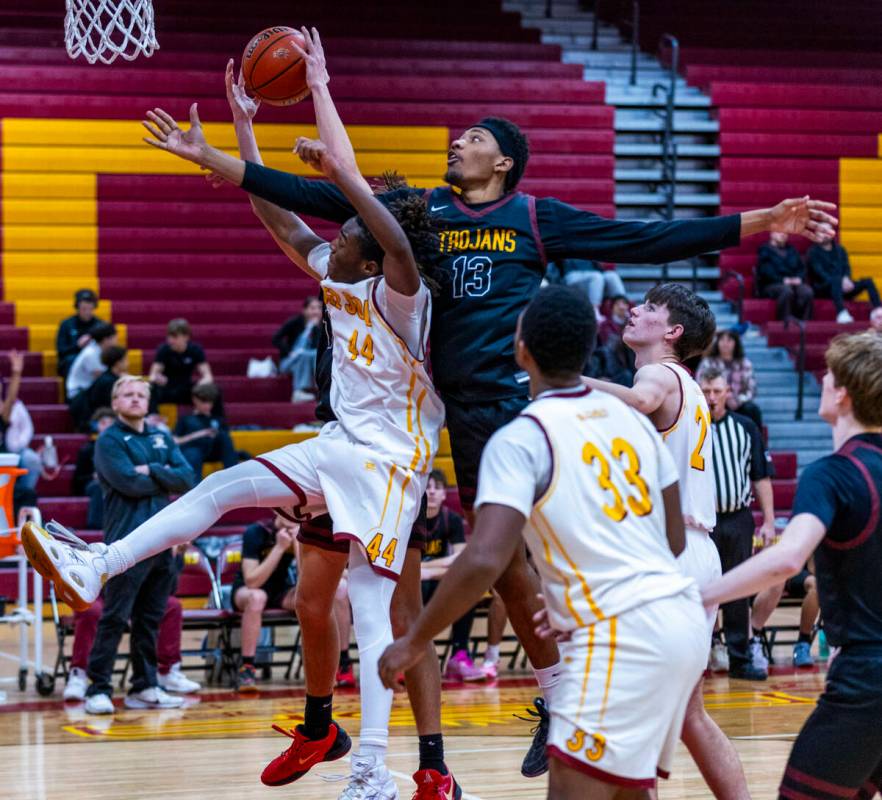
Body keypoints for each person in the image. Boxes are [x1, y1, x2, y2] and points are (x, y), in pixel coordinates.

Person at [108, 23, 834, 779]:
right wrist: (220, 157)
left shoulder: (533, 218)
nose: (458, 142)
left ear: (505, 161)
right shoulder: (425, 213)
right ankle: (410, 760)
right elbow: (313, 197)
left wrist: (763, 221)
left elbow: (647, 237)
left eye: (474, 137)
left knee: (509, 562)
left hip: (496, 403)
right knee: (396, 575)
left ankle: (552, 694)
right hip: (413, 412)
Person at [23, 35, 453, 797]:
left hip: (390, 466)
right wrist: (241, 131)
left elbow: (352, 189)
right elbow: (280, 217)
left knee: (374, 613)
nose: (338, 231)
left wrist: (320, 85)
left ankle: (372, 774)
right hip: (340, 446)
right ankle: (98, 564)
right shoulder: (339, 275)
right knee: (220, 492)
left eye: (353, 225)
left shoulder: (403, 291)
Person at [378, 285, 708, 799]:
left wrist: (415, 640)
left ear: (521, 350)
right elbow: (670, 538)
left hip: (619, 637)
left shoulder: (522, 436)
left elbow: (486, 559)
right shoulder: (634, 421)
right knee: (629, 792)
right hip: (679, 622)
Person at [584, 283, 751, 800]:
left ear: (673, 332)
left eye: (650, 308)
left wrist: (567, 381)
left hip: (667, 556)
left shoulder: (655, 372)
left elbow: (639, 400)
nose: (634, 310)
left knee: (637, 712)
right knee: (688, 713)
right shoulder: (693, 385)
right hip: (699, 554)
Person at [702, 331, 882, 800]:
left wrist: (696, 594)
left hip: (866, 680)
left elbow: (786, 558)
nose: (821, 379)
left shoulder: (830, 473)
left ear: (841, 393)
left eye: (828, 375)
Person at [80, 376, 195, 714]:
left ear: (148, 401)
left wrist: (152, 469)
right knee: (115, 617)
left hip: (164, 542)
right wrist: (163, 475)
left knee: (150, 618)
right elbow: (128, 482)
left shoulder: (161, 435)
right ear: (115, 403)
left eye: (140, 394)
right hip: (126, 543)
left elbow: (187, 477)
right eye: (127, 395)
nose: (134, 399)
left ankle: (144, 687)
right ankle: (97, 689)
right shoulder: (108, 440)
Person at [701, 368, 775, 680]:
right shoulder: (692, 428)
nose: (712, 397)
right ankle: (698, 659)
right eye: (706, 391)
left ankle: (740, 659)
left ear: (728, 392)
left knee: (736, 592)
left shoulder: (745, 427)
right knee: (701, 588)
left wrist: (769, 520)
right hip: (702, 522)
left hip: (738, 518)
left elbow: (760, 476)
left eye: (717, 391)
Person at [63, 580, 201, 701]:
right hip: (97, 590)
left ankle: (167, 672)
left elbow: (167, 584)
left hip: (133, 590)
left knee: (172, 605)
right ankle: (79, 674)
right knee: (90, 611)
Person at [421, 469, 485, 682]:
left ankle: (459, 655)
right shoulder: (410, 520)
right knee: (413, 585)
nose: (431, 492)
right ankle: (413, 656)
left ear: (443, 495)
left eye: (436, 488)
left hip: (435, 581)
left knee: (467, 585)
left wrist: (426, 570)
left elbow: (460, 559)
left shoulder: (452, 519)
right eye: (427, 487)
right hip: (415, 586)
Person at [231, 515, 298, 691]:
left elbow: (308, 579)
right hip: (246, 590)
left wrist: (298, 545)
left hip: (280, 589)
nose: (294, 514)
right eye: (288, 508)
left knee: (310, 597)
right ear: (277, 510)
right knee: (257, 597)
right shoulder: (256, 531)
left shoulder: (300, 533)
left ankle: (326, 665)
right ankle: (247, 668)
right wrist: (279, 547)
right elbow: (252, 581)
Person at [808, 232, 881, 324]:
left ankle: (878, 310)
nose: (824, 235)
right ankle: (841, 312)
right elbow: (820, 273)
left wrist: (846, 279)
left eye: (826, 231)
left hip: (842, 287)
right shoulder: (813, 252)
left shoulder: (840, 250)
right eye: (821, 232)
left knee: (868, 281)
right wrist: (839, 281)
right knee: (836, 279)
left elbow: (847, 268)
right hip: (824, 288)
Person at [699, 328, 763, 429]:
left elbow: (751, 389)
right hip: (714, 400)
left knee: (753, 410)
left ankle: (756, 441)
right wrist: (722, 397)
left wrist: (737, 400)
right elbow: (699, 384)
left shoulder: (745, 363)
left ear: (736, 343)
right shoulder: (708, 362)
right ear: (717, 342)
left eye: (729, 340)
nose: (725, 343)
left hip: (739, 404)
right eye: (722, 340)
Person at [173, 383, 237, 479]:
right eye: (204, 401)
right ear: (195, 399)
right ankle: (195, 488)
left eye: (210, 402)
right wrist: (200, 434)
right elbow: (174, 441)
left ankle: (233, 477)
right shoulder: (186, 419)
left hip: (212, 450)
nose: (207, 405)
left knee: (224, 437)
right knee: (193, 453)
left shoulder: (217, 419)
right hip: (193, 450)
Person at [1, 351, 42, 493]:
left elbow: (11, 399)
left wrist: (16, 373)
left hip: (7, 454)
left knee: (31, 459)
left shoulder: (8, 410)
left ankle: (26, 496)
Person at [148, 318, 213, 407]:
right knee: (151, 388)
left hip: (186, 388)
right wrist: (159, 378)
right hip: (168, 388)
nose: (170, 340)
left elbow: (208, 376)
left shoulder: (195, 350)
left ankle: (214, 418)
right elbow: (152, 375)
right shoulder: (163, 349)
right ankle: (153, 416)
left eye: (175, 337)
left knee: (213, 389)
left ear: (186, 337)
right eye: (169, 336)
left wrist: (201, 384)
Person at [72, 407, 116, 530]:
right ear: (96, 425)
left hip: (116, 482)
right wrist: (93, 476)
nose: (107, 427)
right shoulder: (87, 449)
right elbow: (77, 481)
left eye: (110, 424)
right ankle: (96, 527)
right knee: (98, 486)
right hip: (95, 484)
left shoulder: (122, 447)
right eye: (103, 423)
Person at [273, 295, 323, 401]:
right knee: (305, 355)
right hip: (290, 361)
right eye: (312, 308)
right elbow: (276, 338)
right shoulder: (295, 322)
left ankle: (313, 389)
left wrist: (314, 328)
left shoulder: (322, 326)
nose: (316, 312)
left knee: (310, 354)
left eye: (319, 308)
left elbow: (319, 347)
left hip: (307, 360)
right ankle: (301, 390)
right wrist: (289, 351)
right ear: (304, 310)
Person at [756, 232, 814, 321]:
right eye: (780, 232)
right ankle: (785, 321)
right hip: (771, 284)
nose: (783, 234)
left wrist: (799, 278)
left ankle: (805, 323)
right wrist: (783, 280)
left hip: (792, 282)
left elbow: (801, 268)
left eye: (785, 233)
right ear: (772, 234)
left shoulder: (792, 250)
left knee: (807, 291)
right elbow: (765, 272)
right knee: (786, 291)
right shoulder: (765, 250)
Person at [56, 289, 105, 378]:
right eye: (84, 309)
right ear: (77, 307)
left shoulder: (100, 325)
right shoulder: (66, 324)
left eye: (90, 309)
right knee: (71, 361)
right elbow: (61, 351)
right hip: (73, 358)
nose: (87, 312)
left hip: (94, 359)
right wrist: (78, 345)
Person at [84, 346, 128, 423]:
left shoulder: (108, 377)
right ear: (118, 363)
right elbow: (112, 407)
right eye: (125, 359)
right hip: (98, 420)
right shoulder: (109, 382)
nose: (128, 362)